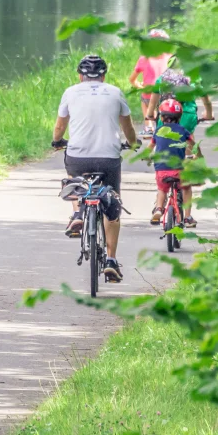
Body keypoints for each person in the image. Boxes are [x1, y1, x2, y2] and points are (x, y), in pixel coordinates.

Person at [51, 53, 140, 283]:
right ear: (103, 75)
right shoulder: (115, 92)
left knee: (74, 178)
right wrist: (132, 143)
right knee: (112, 203)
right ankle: (111, 260)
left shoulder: (70, 92)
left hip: (79, 157)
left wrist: (57, 141)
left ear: (80, 75)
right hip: (108, 158)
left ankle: (78, 212)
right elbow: (127, 126)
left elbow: (61, 125)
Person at [148, 98, 201, 227]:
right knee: (186, 188)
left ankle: (159, 209)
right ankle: (188, 217)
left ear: (161, 117)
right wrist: (197, 155)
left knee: (162, 189)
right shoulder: (183, 131)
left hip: (161, 170)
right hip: (179, 170)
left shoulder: (158, 131)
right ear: (179, 116)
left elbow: (149, 148)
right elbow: (193, 145)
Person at [127, 29, 173, 137]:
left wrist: (140, 86)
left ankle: (149, 126)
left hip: (149, 93)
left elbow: (132, 79)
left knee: (144, 99)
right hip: (166, 94)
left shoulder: (144, 58)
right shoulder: (170, 57)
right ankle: (164, 127)